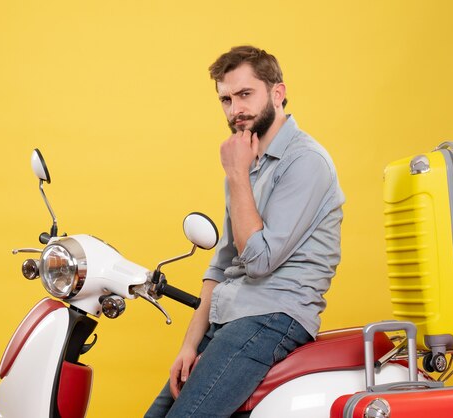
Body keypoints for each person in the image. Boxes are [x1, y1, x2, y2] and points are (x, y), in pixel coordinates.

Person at [145, 45, 345, 418]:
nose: (235, 110)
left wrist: (236, 174)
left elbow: (258, 260)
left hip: (274, 317)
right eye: (225, 99)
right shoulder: (246, 163)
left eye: (245, 94)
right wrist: (189, 345)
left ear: (277, 93)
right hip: (230, 317)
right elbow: (221, 266)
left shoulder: (307, 162)